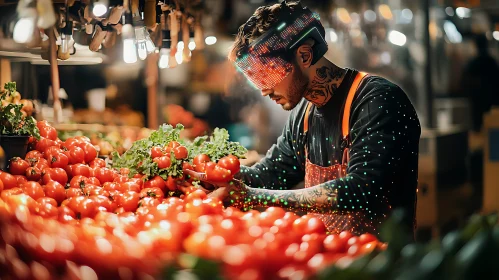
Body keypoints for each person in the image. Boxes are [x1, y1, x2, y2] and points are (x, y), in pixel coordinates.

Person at [190, 1, 421, 236]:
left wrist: (251, 196)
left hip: (385, 264)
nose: (263, 90)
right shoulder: (305, 115)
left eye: (267, 74)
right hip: (330, 260)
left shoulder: (378, 100)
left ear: (305, 55)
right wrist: (211, 174)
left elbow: (363, 189)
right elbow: (270, 175)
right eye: (255, 79)